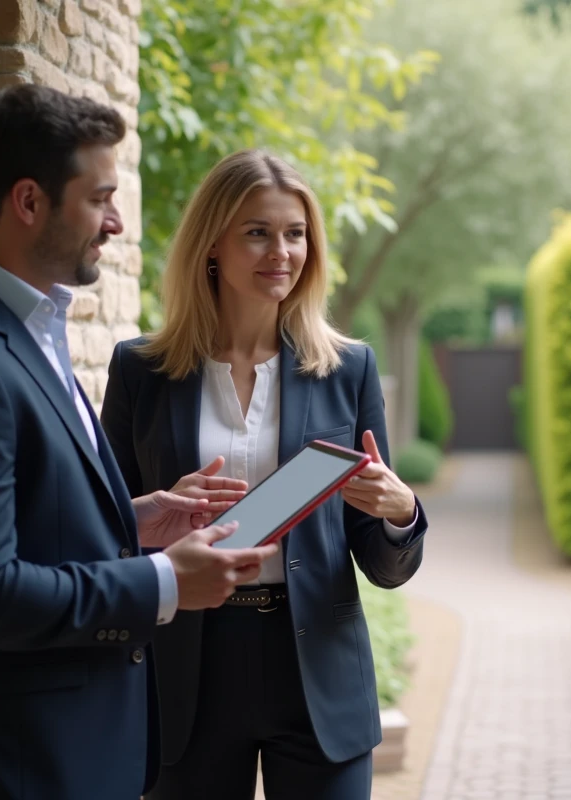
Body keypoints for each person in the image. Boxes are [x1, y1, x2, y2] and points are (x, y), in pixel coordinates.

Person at [0, 85, 277, 800]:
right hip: (6, 767)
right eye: (101, 197)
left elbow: (28, 516)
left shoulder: (28, 324)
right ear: (29, 202)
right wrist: (163, 582)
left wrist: (134, 520)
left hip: (61, 755)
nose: (117, 222)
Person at [100, 148, 429, 800]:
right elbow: (101, 530)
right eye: (257, 231)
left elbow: (382, 565)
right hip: (188, 669)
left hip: (316, 673)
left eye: (295, 233)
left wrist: (398, 512)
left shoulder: (349, 370)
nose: (281, 250)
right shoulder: (141, 370)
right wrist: (154, 514)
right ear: (213, 244)